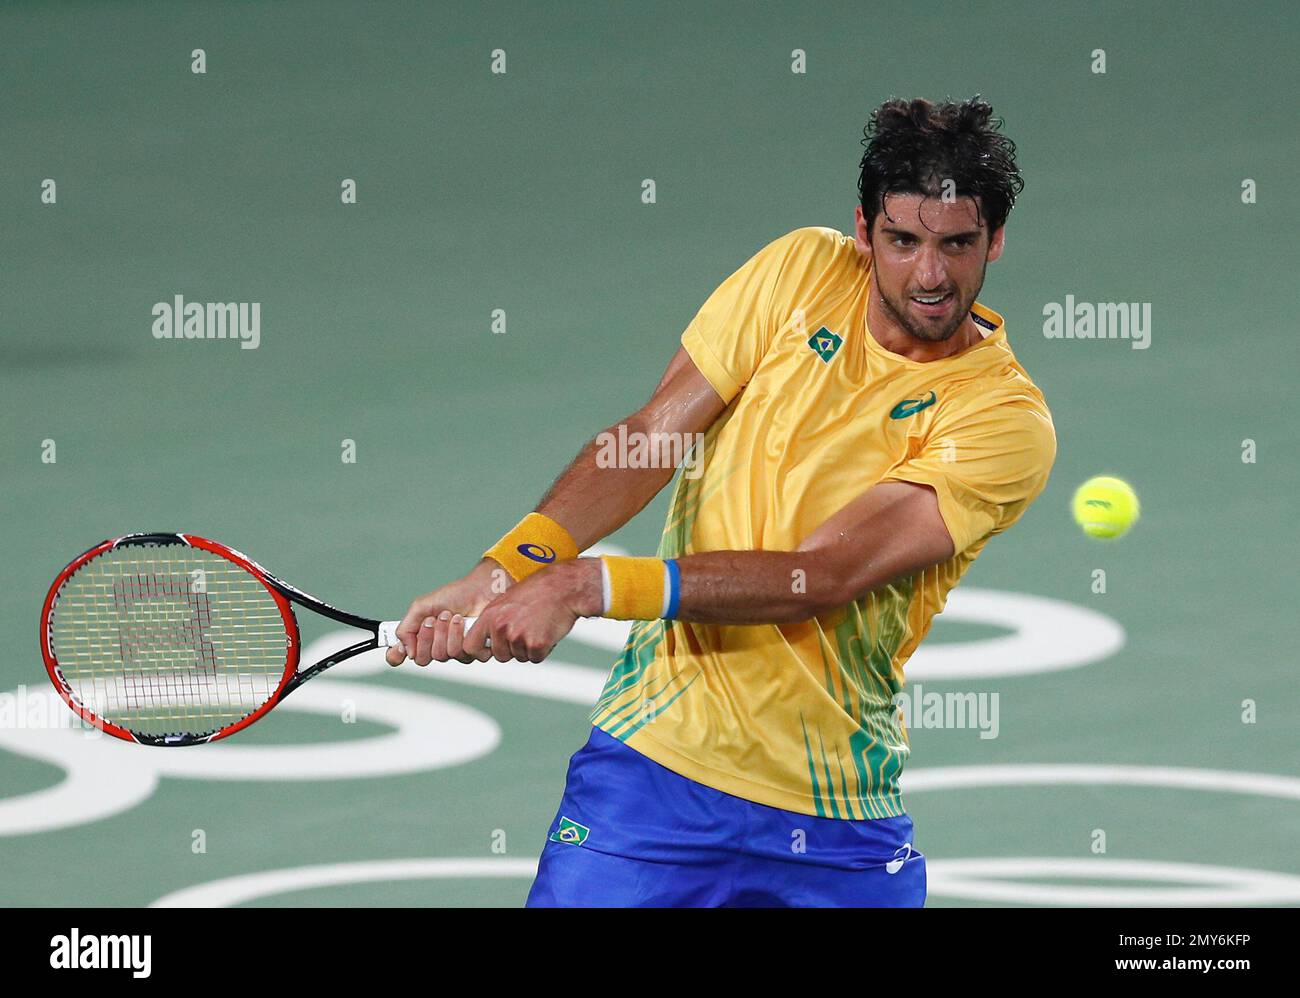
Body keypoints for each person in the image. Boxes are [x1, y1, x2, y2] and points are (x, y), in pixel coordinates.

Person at [386, 95, 1056, 907]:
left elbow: (825, 574)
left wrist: (585, 586)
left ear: (996, 240)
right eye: (903, 240)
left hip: (835, 814)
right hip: (651, 777)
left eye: (957, 245)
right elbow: (651, 436)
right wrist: (509, 568)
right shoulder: (798, 272)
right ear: (862, 230)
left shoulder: (1002, 418)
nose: (930, 274)